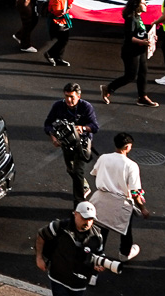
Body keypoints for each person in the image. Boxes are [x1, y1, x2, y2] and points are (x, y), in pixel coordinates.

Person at [34, 201, 118, 296]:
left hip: (79, 284)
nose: (87, 222)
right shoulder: (60, 226)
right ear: (75, 214)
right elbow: (41, 235)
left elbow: (99, 253)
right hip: (58, 279)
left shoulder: (97, 236)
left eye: (91, 219)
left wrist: (99, 265)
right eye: (84, 218)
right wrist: (39, 258)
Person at [90, 132, 145, 260]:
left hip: (101, 198)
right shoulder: (131, 165)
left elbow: (95, 173)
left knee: (101, 228)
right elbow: (135, 192)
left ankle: (98, 253)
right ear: (127, 147)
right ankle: (124, 254)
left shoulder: (103, 158)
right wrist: (143, 208)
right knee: (125, 231)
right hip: (121, 203)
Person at [46, 82, 100, 203]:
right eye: (66, 96)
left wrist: (83, 128)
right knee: (70, 169)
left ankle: (79, 202)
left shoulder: (86, 107)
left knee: (78, 171)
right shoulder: (58, 106)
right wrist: (53, 136)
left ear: (79, 96)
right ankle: (84, 185)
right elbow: (48, 124)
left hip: (82, 143)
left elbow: (95, 127)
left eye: (72, 97)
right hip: (66, 143)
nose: (69, 100)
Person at [101, 0, 157, 107]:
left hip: (139, 50)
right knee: (130, 76)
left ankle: (142, 96)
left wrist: (150, 36)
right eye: (143, 3)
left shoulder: (138, 17)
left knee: (143, 72)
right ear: (136, 5)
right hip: (130, 51)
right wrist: (143, 42)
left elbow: (139, 33)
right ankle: (108, 88)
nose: (146, 5)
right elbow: (129, 37)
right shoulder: (131, 19)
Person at [44, 0, 76, 66]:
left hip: (63, 21)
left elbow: (69, 4)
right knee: (62, 40)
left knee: (64, 40)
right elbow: (57, 12)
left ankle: (58, 58)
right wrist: (66, 12)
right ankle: (50, 53)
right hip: (56, 23)